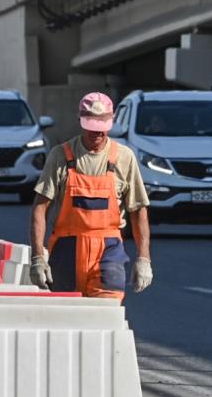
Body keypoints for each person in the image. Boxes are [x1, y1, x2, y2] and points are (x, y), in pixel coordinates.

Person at [29, 92, 153, 299]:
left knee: (105, 312)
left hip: (108, 250)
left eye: (101, 127)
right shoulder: (61, 155)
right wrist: (38, 257)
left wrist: (144, 258)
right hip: (66, 250)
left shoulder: (124, 157)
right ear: (81, 121)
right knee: (68, 320)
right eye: (91, 126)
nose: (96, 133)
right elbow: (39, 208)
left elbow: (138, 209)